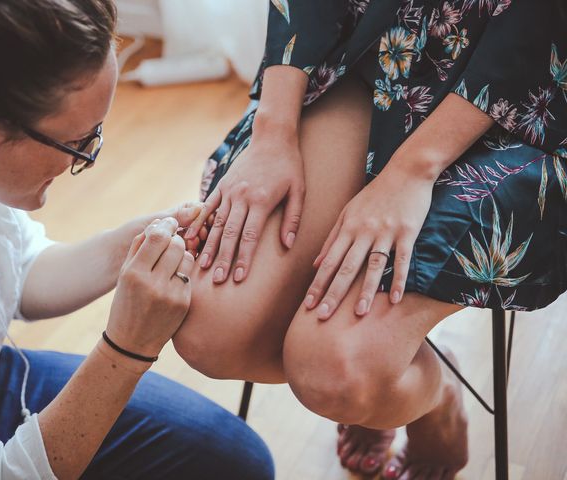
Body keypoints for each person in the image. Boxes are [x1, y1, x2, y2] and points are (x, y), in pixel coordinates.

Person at [177, 0, 567, 478]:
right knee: (210, 333)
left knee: (338, 373)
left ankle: (431, 398)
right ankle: (419, 384)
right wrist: (273, 131)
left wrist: (412, 170)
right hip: (370, 53)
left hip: (530, 102)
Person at [0, 1, 275, 479]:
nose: (87, 157)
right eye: (78, 143)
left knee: (239, 460)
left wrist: (137, 243)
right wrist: (127, 348)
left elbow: (22, 270)